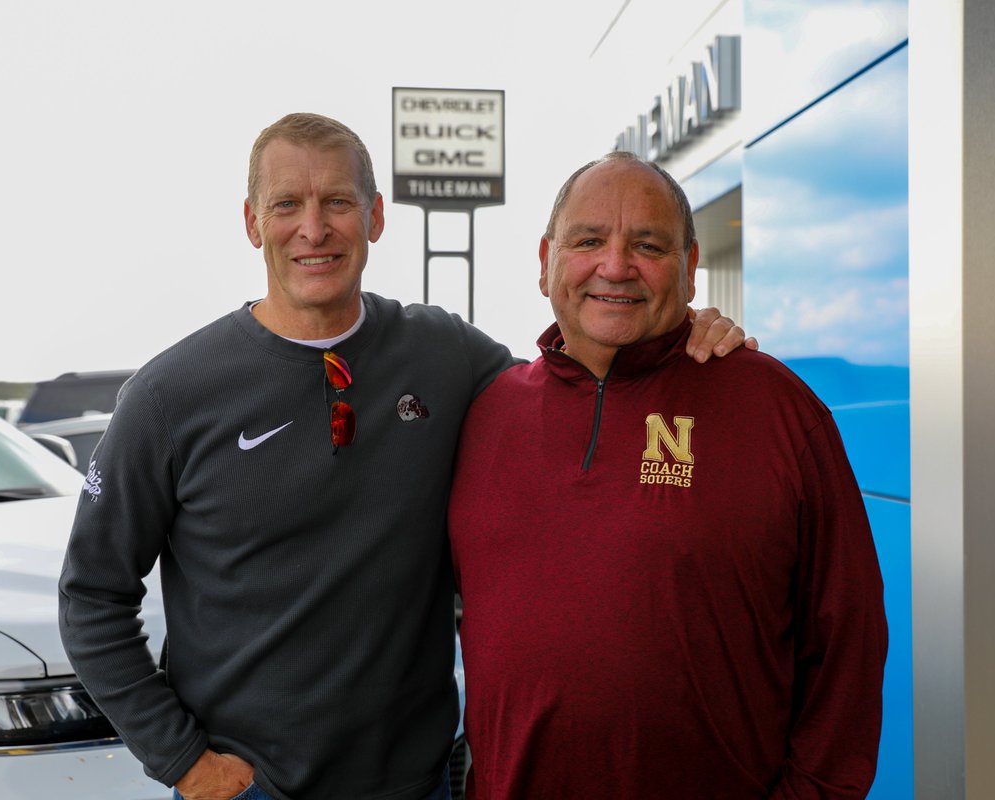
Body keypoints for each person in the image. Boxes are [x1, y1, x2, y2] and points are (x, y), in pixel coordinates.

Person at [57, 113, 752, 800]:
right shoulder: (168, 395)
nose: (314, 228)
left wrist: (683, 326)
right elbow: (92, 596)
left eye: (338, 202)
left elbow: (572, 386)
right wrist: (182, 760)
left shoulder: (442, 353)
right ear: (251, 222)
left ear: (376, 216)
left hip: (418, 785)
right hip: (249, 789)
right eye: (287, 205)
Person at [448, 151, 889, 799]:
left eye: (647, 245)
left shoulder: (775, 408)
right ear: (546, 262)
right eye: (588, 240)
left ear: (689, 268)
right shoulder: (484, 413)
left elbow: (848, 636)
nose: (615, 265)